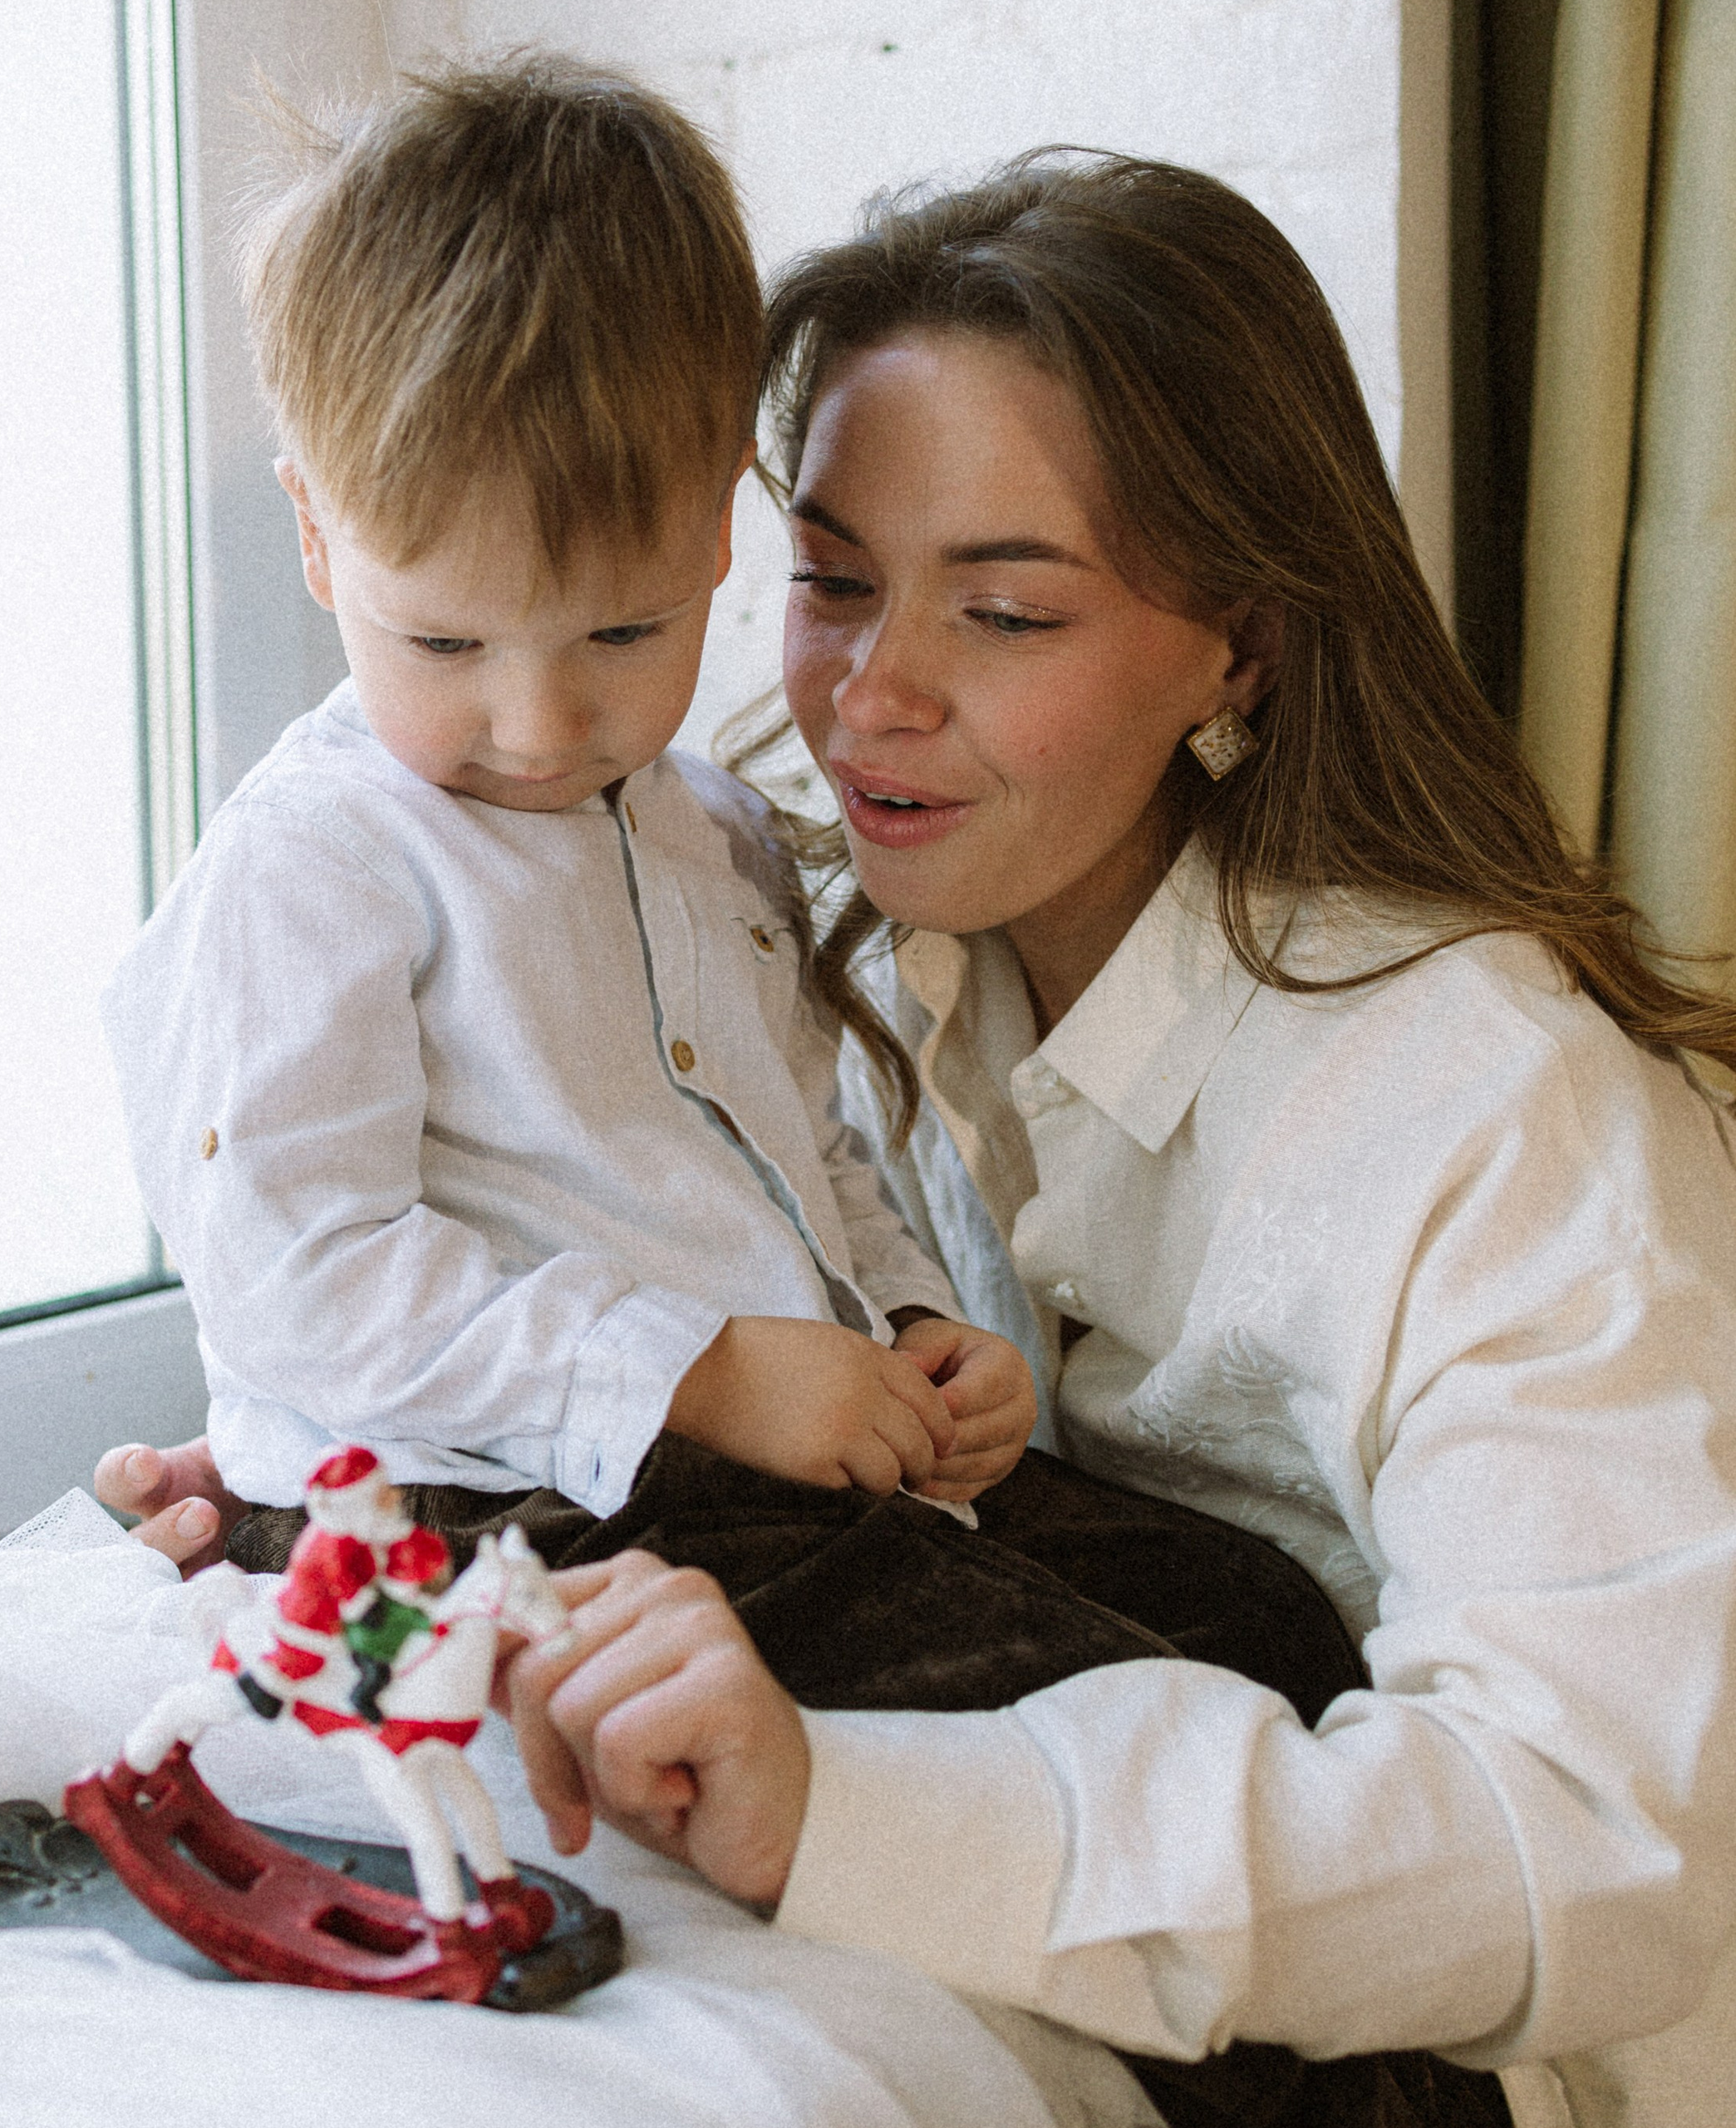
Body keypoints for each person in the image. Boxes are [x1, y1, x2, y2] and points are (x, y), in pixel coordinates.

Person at [487, 152, 1736, 2127]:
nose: (866, 694)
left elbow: (1584, 1848)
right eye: (826, 581)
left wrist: (855, 1808)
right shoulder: (869, 990)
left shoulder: (1496, 1119)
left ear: (1235, 645)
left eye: (999, 609)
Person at [98, 56, 1038, 1543]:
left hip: (754, 1483)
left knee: (1244, 1609)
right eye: (446, 643)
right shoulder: (320, 866)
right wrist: (700, 1373)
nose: (540, 727)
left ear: (727, 517)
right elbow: (302, 1274)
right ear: (319, 538)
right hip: (480, 1512)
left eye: (622, 632)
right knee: (1046, 1684)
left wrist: (911, 1322)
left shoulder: (717, 836)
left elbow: (802, 1155)